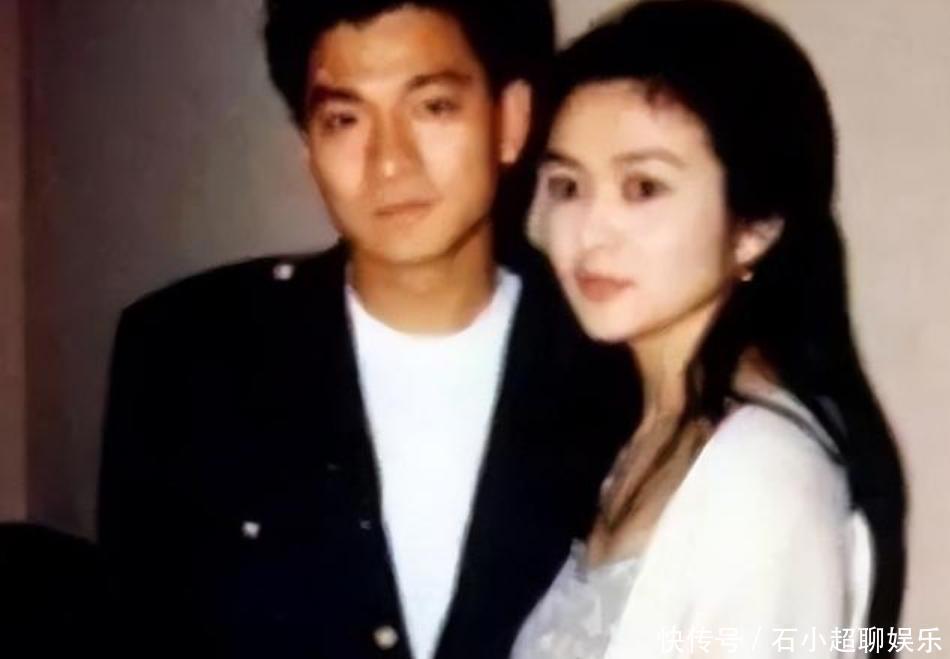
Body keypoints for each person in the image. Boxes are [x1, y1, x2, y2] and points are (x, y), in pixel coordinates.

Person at [96, 2, 637, 658]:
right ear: (307, 149)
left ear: (510, 120)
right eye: (344, 120)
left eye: (432, 107)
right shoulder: (186, 355)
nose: (389, 162)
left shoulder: (619, 367)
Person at [511, 1, 907, 657]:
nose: (590, 232)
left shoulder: (765, 477)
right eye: (566, 185)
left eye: (643, 187)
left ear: (756, 225)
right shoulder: (632, 432)